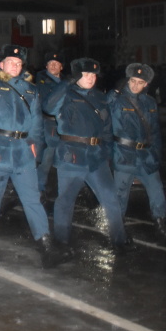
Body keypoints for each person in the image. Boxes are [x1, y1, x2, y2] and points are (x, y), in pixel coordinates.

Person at [0, 44, 70, 268]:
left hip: (22, 151)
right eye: (11, 62)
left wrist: (36, 149)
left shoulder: (30, 89)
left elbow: (37, 123)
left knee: (32, 199)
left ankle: (46, 247)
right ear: (1, 64)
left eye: (19, 63)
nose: (16, 66)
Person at [43, 58, 128, 254]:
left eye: (93, 75)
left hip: (97, 157)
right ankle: (62, 242)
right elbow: (48, 107)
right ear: (76, 76)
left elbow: (106, 127)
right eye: (86, 74)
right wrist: (66, 83)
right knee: (65, 201)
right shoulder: (65, 94)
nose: (91, 78)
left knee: (110, 198)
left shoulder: (100, 97)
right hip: (72, 156)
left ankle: (119, 240)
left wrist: (106, 150)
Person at [109, 63, 166, 244]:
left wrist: (156, 155)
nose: (135, 85)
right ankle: (118, 233)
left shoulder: (150, 102)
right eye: (132, 81)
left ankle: (161, 227)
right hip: (124, 154)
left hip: (146, 155)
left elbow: (155, 131)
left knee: (157, 190)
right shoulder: (116, 99)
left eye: (139, 82)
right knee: (120, 195)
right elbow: (106, 123)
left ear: (146, 84)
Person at [35, 52, 65, 201]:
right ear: (46, 66)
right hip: (48, 124)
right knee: (46, 158)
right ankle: (40, 188)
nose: (53, 66)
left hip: (65, 125)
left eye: (56, 63)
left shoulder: (66, 82)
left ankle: (60, 189)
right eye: (50, 63)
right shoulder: (42, 81)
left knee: (63, 159)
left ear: (61, 67)